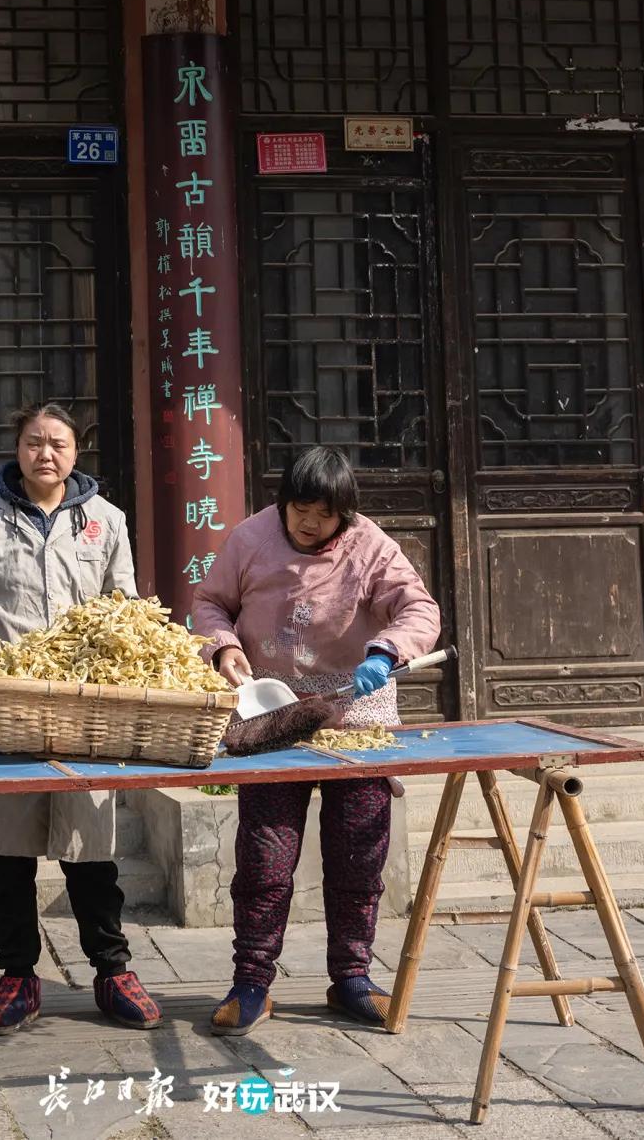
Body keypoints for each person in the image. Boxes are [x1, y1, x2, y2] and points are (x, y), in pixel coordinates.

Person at [0, 401, 161, 1035]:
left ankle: (112, 972)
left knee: (90, 847)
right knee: (8, 848)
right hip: (5, 702)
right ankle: (17, 975)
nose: (45, 454)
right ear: (17, 448)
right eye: (33, 442)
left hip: (85, 707)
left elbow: (127, 604)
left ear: (76, 453)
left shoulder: (105, 520)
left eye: (57, 443)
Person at [191, 444, 441, 1036]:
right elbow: (209, 603)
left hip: (357, 712)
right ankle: (252, 982)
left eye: (325, 514)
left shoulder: (372, 546)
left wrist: (388, 650)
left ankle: (352, 977)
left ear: (346, 514)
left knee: (359, 849)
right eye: (300, 508)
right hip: (271, 709)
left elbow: (419, 609)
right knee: (266, 855)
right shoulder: (251, 538)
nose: (309, 522)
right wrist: (224, 646)